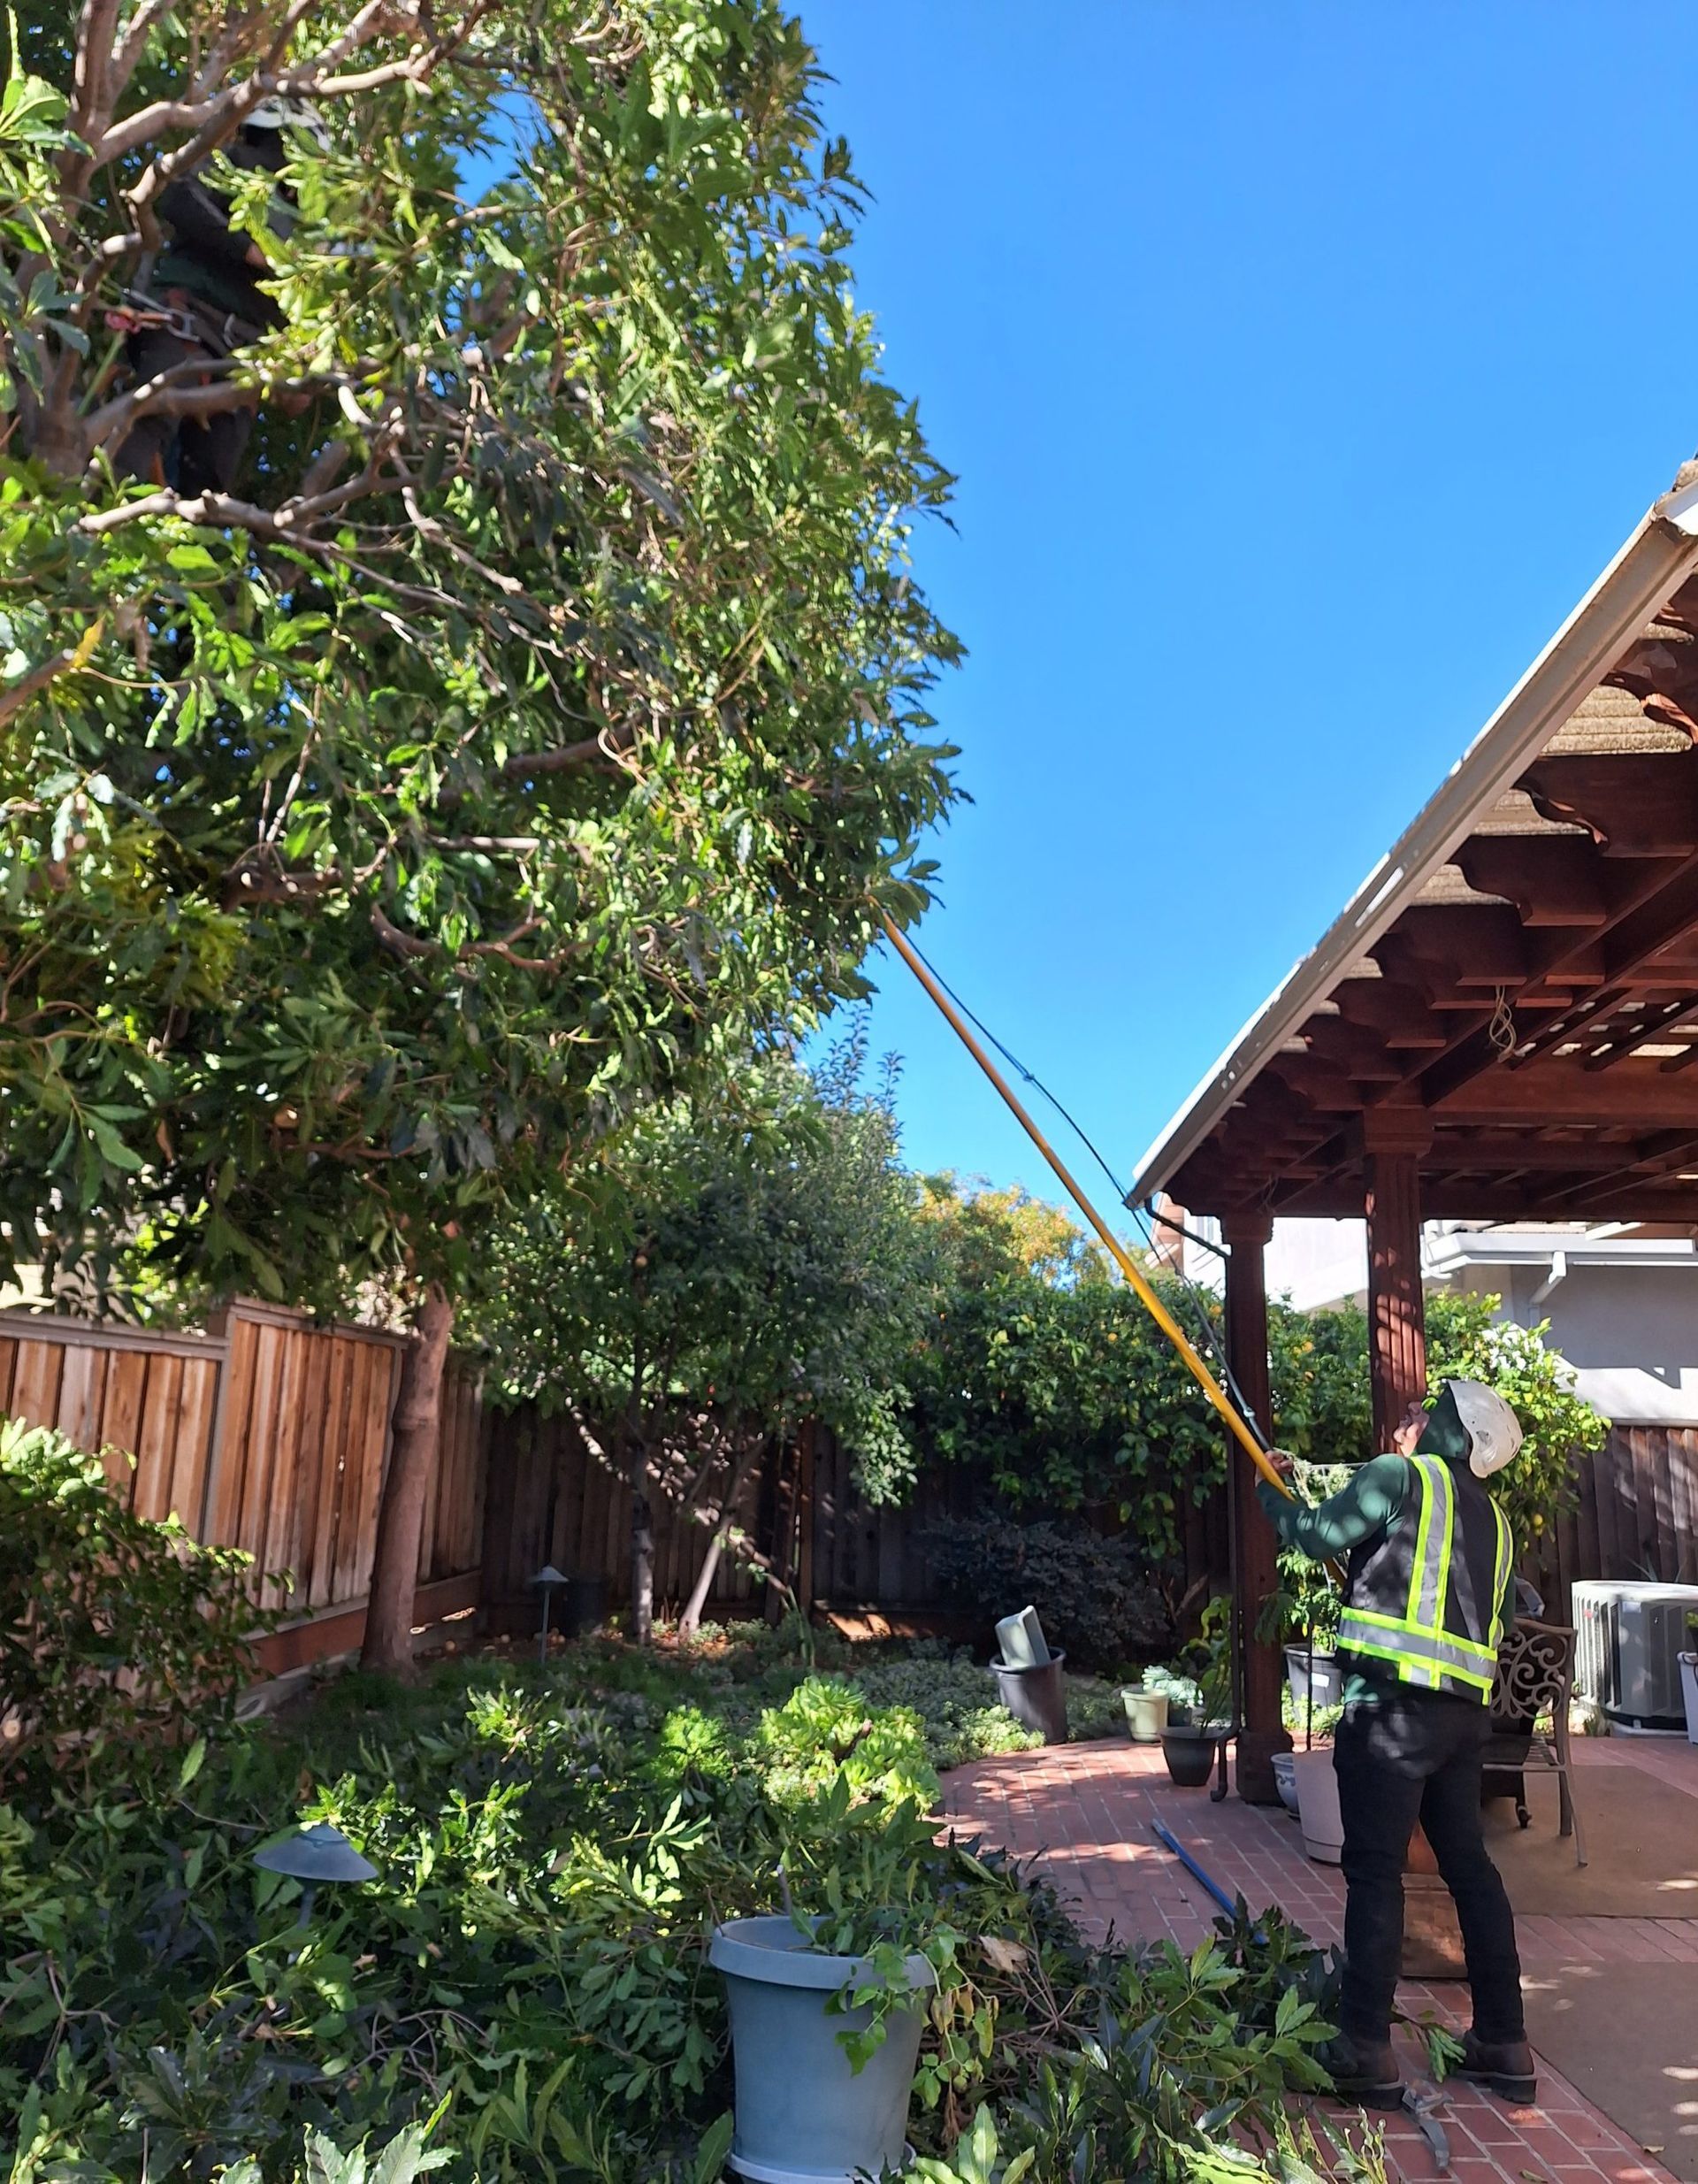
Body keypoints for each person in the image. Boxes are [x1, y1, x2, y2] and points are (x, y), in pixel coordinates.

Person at [1261, 1380, 1535, 2110]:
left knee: (1376, 1871)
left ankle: (1364, 2046)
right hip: (1460, 1726)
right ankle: (1505, 2042)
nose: (1411, 1418)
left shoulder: (1399, 1476)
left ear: (1455, 1430)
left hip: (1388, 1712)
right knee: (1470, 1871)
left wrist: (1275, 1500)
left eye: (1427, 1409)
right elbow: (1484, 1615)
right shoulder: (1500, 1525)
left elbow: (1318, 1534)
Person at [115, 98, 324, 494]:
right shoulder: (237, 167)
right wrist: (254, 252)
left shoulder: (309, 230)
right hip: (187, 318)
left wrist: (303, 375)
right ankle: (104, 526)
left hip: (241, 354)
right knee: (148, 426)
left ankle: (165, 545)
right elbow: (180, 199)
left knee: (209, 479)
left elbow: (308, 317)